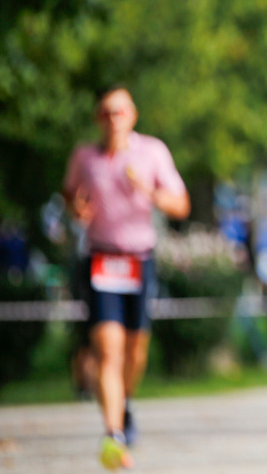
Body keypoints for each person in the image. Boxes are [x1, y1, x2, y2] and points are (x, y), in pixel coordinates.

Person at [62, 85, 190, 470]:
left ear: (132, 116)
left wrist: (148, 191)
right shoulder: (85, 157)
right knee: (108, 348)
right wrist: (76, 208)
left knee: (135, 351)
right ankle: (113, 434)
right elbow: (69, 194)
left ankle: (125, 401)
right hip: (101, 259)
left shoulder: (152, 152)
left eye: (119, 111)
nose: (113, 119)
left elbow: (181, 205)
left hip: (139, 259)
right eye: (105, 112)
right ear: (97, 119)